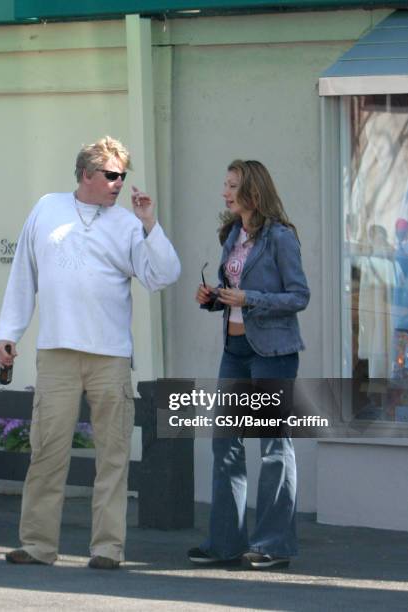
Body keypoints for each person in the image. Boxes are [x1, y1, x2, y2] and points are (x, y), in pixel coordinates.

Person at [0, 136, 181, 569]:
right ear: (86, 175)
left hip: (110, 355)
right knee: (46, 450)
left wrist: (150, 223)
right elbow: (24, 272)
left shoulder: (129, 224)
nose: (119, 184)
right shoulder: (47, 207)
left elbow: (165, 274)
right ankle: (39, 545)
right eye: (112, 175)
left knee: (113, 455)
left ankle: (107, 549)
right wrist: (9, 333)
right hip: (56, 350)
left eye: (123, 176)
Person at [188, 159, 309, 570]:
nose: (224, 191)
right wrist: (214, 298)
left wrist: (250, 299)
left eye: (232, 184)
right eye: (224, 183)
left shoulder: (280, 237)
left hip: (273, 353)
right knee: (225, 443)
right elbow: (233, 291)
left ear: (252, 192)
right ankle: (225, 542)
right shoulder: (232, 234)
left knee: (273, 446)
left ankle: (274, 544)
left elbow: (298, 296)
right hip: (235, 350)